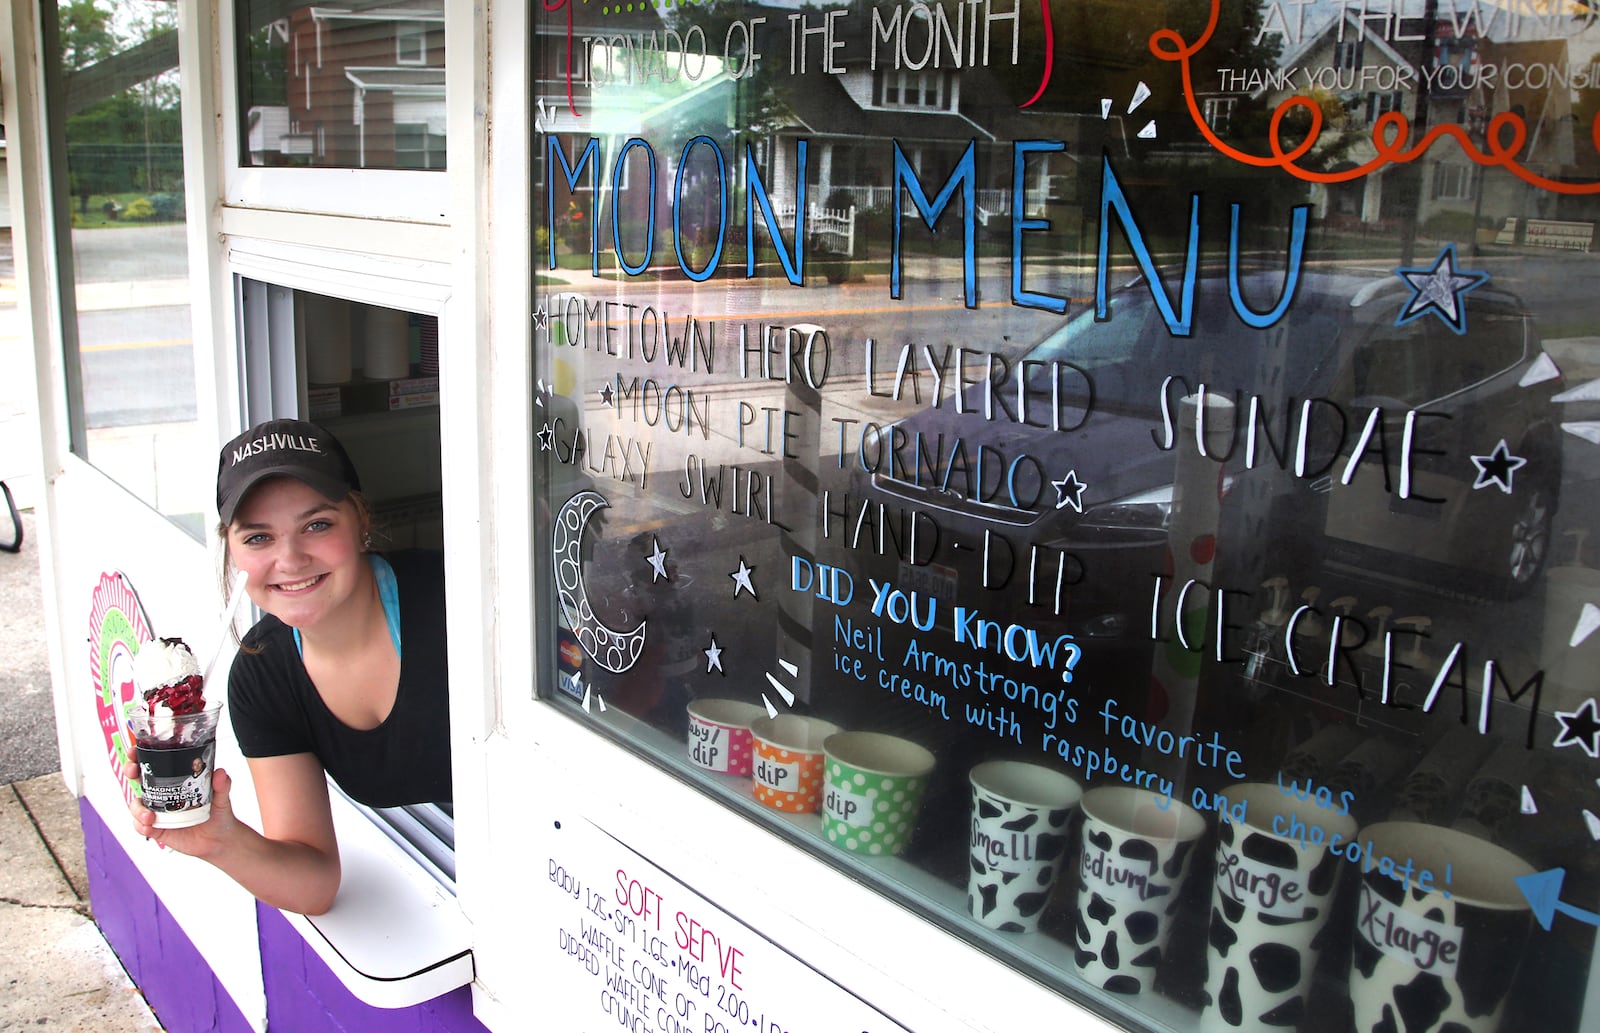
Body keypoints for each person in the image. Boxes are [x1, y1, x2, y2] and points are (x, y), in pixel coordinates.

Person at [126, 418, 450, 915]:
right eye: (258, 538)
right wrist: (220, 840)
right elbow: (313, 884)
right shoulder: (263, 674)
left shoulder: (452, 603)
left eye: (316, 525)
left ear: (360, 520)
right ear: (231, 549)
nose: (291, 559)